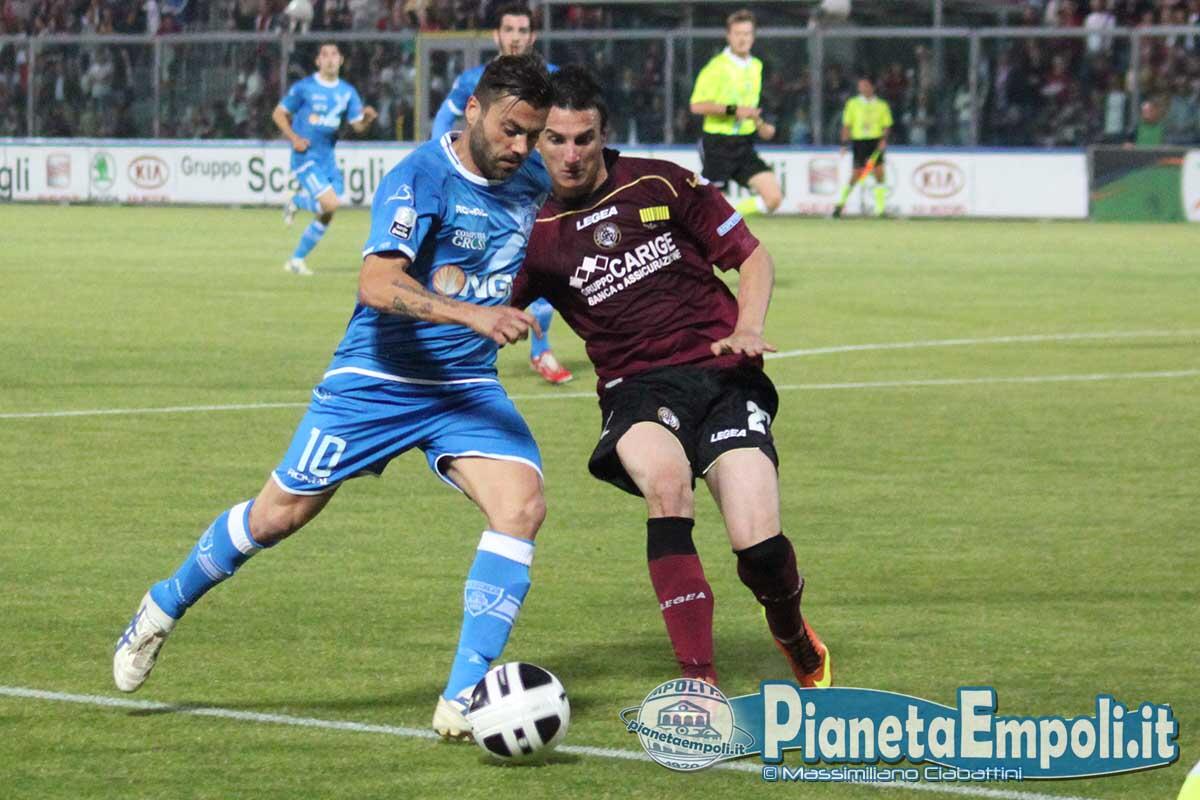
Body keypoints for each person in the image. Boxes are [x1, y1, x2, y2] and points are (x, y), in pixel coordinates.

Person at [114, 55, 556, 742]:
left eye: (532, 134)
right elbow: (377, 284)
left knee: (521, 506)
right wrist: (472, 314)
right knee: (276, 517)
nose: (521, 148)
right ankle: (162, 606)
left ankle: (463, 695)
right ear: (473, 110)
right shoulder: (419, 177)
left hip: (465, 386)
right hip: (377, 380)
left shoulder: (532, 178)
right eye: (510, 130)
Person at [513, 66, 831, 689]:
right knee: (666, 487)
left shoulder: (661, 180)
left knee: (759, 547)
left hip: (722, 374)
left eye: (583, 139)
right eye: (556, 140)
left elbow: (752, 256)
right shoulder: (535, 233)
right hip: (636, 389)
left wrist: (749, 325)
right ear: (536, 142)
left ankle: (790, 627)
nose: (571, 155)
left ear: (604, 134)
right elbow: (489, 306)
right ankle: (699, 680)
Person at [431, 2, 572, 385]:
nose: (515, 37)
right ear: (497, 35)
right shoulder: (474, 80)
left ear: (532, 36)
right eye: (508, 29)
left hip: (536, 187)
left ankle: (541, 350)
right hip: (484, 188)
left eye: (522, 30)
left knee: (544, 263)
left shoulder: (553, 78)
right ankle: (455, 342)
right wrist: (441, 162)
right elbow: (443, 118)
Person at [273, 42, 378, 276]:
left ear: (341, 60)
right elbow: (278, 113)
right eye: (325, 55)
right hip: (305, 158)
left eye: (334, 55)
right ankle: (297, 201)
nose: (330, 59)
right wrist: (294, 138)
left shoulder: (347, 92)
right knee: (330, 203)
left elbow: (357, 127)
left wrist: (367, 119)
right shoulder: (305, 88)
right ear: (318, 61)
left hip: (327, 160)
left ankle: (296, 260)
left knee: (327, 212)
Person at [688, 8, 782, 219]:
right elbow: (696, 106)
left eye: (747, 33)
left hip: (744, 144)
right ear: (728, 36)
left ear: (753, 36)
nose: (742, 39)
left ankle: (727, 215)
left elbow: (751, 106)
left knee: (774, 198)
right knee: (709, 210)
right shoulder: (716, 67)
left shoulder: (756, 66)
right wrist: (733, 111)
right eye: (738, 33)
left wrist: (761, 124)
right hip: (717, 144)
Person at [832, 75, 893, 219]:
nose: (862, 88)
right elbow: (847, 125)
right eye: (860, 86)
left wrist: (884, 140)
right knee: (856, 174)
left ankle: (880, 210)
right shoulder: (853, 103)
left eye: (865, 85)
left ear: (872, 87)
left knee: (879, 174)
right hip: (859, 142)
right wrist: (844, 143)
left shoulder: (881, 105)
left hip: (875, 141)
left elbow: (886, 125)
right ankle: (840, 205)